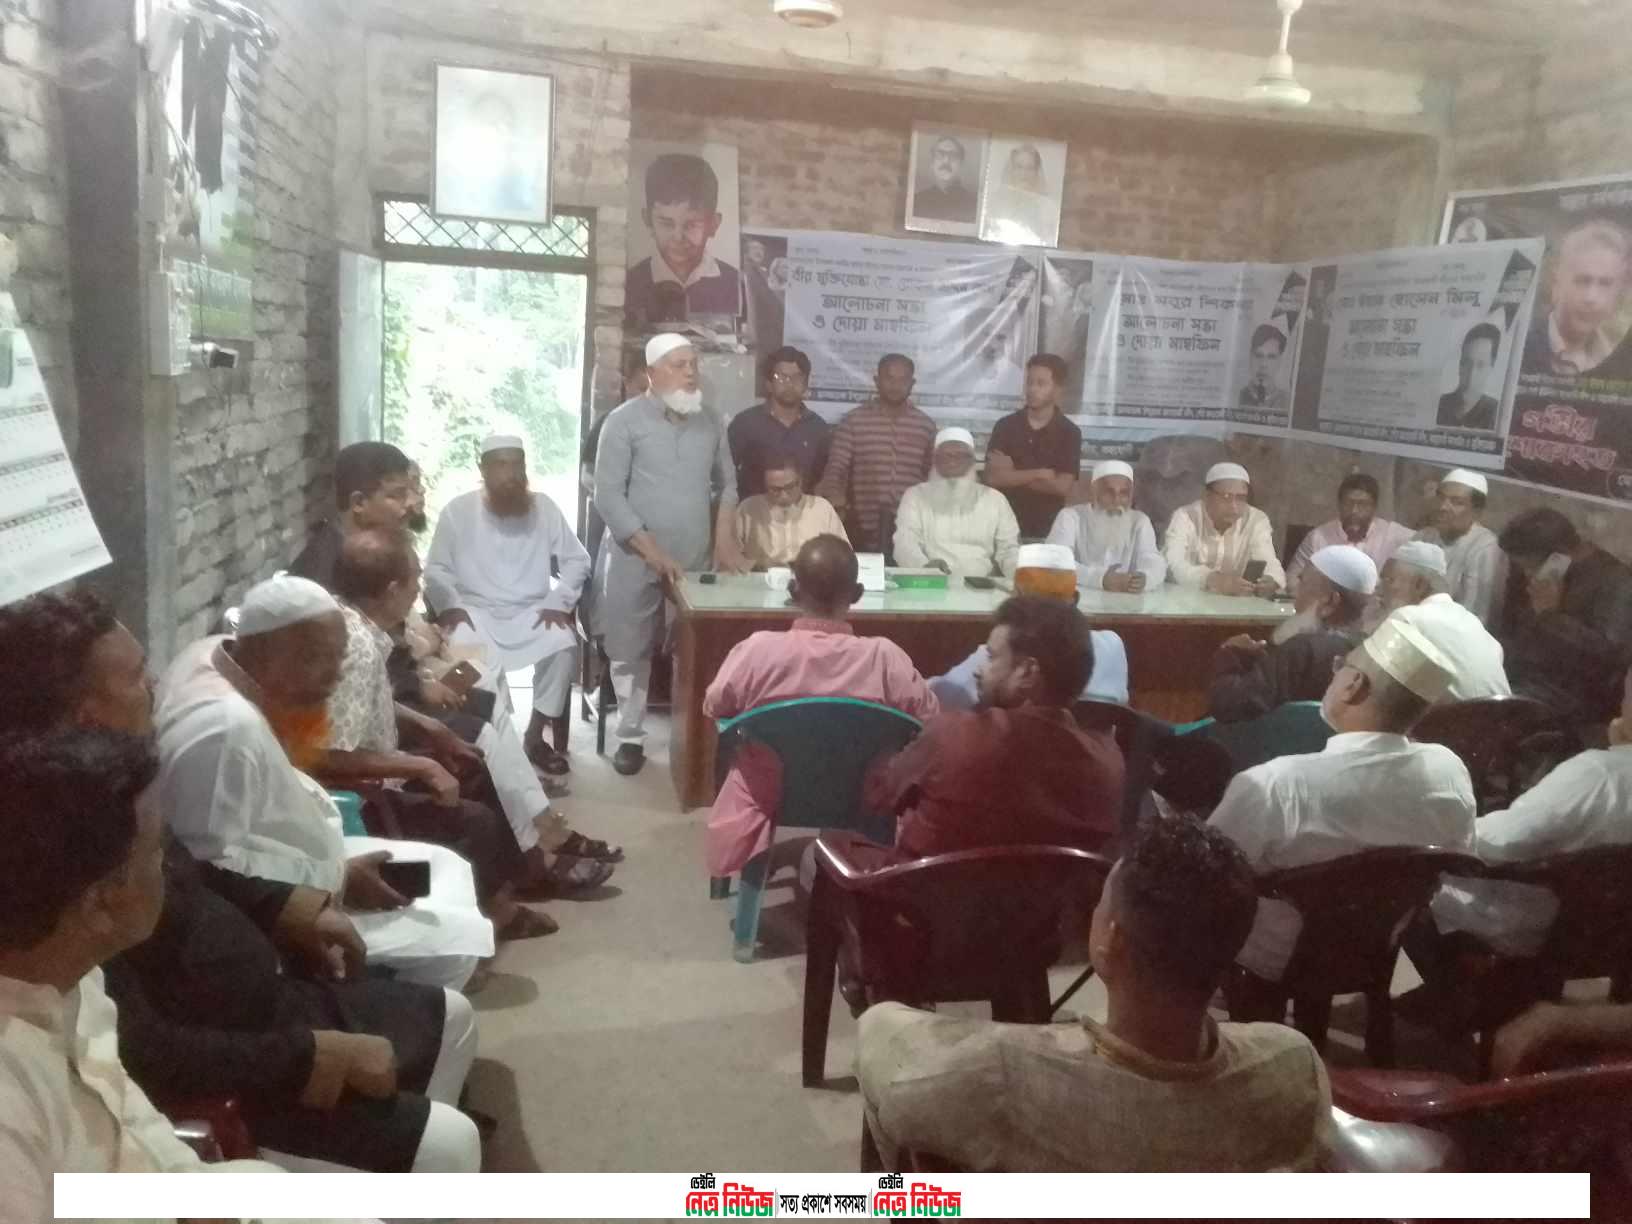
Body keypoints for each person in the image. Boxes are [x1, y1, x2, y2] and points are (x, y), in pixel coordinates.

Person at [0, 591, 481, 1174]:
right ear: (83, 713)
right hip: (236, 1055)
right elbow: (145, 1049)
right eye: (133, 677)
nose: (154, 685)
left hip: (259, 998)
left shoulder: (116, 791)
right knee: (449, 1142)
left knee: (449, 1016)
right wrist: (304, 1057)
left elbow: (192, 872)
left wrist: (286, 904)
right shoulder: (66, 863)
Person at [858, 814, 1332, 1172]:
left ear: (1111, 939)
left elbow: (882, 1055)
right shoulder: (1295, 1066)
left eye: (1103, 902)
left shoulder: (996, 1076)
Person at [156, 574, 495, 991]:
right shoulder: (225, 730)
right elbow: (210, 868)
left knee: (447, 867)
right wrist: (333, 885)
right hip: (286, 902)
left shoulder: (217, 653)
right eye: (324, 659)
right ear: (276, 652)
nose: (336, 678)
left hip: (317, 859)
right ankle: (377, 1006)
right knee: (454, 946)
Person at [0, 730, 293, 1207]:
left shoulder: (77, 978)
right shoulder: (9, 1102)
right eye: (157, 851)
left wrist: (189, 1194)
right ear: (100, 903)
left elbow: (132, 1121)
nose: (170, 871)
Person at [323, 529, 592, 934]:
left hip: (386, 754)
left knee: (470, 759)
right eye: (415, 580)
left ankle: (522, 871)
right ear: (392, 590)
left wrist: (428, 725)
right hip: (365, 793)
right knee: (476, 818)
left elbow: (370, 702)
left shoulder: (352, 622)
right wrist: (419, 766)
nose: (419, 591)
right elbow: (333, 754)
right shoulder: (359, 647)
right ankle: (500, 909)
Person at [1208, 610, 1476, 982]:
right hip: (1378, 950)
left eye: (1341, 666)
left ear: (1353, 684)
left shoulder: (1275, 786)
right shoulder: (1449, 772)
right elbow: (1455, 860)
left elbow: (1201, 878)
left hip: (1274, 958)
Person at [703, 535, 939, 878]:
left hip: (771, 790)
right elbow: (930, 719)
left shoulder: (758, 651)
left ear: (793, 589)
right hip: (864, 792)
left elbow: (715, 705)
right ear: (857, 594)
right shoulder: (886, 658)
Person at [595, 332, 747, 776]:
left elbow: (728, 485)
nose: (690, 373)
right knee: (630, 647)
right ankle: (629, 737)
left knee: (696, 647)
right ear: (651, 373)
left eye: (693, 364)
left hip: (694, 557)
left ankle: (696, 739)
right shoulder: (622, 422)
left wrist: (724, 540)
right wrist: (651, 551)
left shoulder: (710, 421)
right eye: (679, 365)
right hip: (634, 555)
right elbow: (608, 496)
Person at [872, 595, 1125, 858]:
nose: (978, 670)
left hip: (920, 884)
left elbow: (879, 796)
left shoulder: (953, 736)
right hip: (1048, 887)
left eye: (992, 657)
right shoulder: (1109, 769)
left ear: (1027, 672)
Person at [1421, 668, 1632, 980]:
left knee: (1411, 882)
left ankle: (1454, 995)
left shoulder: (1599, 777)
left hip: (1553, 924)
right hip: (1614, 932)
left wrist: (1427, 832)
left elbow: (1500, 844)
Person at [424, 432, 591, 774]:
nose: (511, 474)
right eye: (501, 465)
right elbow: (436, 568)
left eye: (517, 465)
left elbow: (578, 560)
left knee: (563, 645)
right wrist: (451, 604)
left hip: (532, 610)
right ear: (483, 469)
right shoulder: (457, 511)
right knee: (466, 653)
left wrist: (559, 601)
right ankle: (488, 739)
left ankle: (534, 737)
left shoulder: (544, 507)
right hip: (475, 610)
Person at [930, 543, 1131, 708]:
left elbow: (939, 699)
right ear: (1075, 600)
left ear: (1016, 596)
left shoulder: (1001, 654)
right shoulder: (1113, 646)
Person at [1498, 507, 1632, 730]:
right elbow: (1512, 629)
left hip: (1573, 697)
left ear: (1557, 558)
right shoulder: (1538, 574)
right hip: (1526, 677)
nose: (1524, 574)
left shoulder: (1617, 583)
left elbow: (1608, 659)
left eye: (1527, 567)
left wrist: (1550, 615)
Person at [1208, 545, 1376, 724]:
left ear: (1330, 602)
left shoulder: (1302, 650)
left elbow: (1227, 706)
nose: (1295, 596)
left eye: (1302, 583)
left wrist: (1231, 654)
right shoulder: (1370, 654)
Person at [815, 354, 937, 553]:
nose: (895, 385)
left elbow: (932, 477)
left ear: (912, 383)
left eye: (903, 380)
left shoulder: (925, 426)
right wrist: (836, 499)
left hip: (913, 529)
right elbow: (836, 468)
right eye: (889, 378)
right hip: (861, 528)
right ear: (876, 380)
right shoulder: (854, 421)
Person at [1373, 540, 1511, 701]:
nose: (1378, 589)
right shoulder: (1476, 626)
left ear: (1419, 585)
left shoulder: (1407, 618)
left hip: (1459, 717)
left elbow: (1374, 683)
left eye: (1388, 580)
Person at [624, 152, 740, 326]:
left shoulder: (734, 283)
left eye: (691, 225)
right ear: (648, 221)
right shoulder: (630, 283)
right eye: (666, 223)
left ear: (713, 224)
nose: (678, 237)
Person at [892, 428, 1021, 577]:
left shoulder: (995, 499)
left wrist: (1019, 575)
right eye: (946, 455)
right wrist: (924, 566)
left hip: (982, 583)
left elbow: (1009, 549)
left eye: (961, 455)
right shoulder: (916, 495)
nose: (952, 460)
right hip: (931, 581)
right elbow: (905, 543)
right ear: (935, 460)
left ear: (972, 460)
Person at [982, 353, 1083, 538]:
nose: (1032, 389)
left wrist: (1012, 474)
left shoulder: (1069, 432)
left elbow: (1061, 487)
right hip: (1002, 527)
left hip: (1047, 531)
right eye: (1029, 382)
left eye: (1041, 384)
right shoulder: (1006, 426)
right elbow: (993, 478)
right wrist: (1039, 473)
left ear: (1057, 390)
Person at [288, 441, 414, 586]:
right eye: (397, 495)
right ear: (358, 503)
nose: (409, 503)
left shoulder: (371, 556)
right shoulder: (320, 580)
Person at [1523, 219, 1631, 378]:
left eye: (1605, 284)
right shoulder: (1521, 345)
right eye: (1582, 281)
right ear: (1557, 282)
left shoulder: (1619, 360)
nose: (1591, 297)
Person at [1163, 462, 1284, 595]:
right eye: (1226, 497)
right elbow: (1171, 565)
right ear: (1206, 496)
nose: (1234, 506)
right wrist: (1210, 579)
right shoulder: (1185, 517)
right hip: (1187, 602)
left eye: (1241, 498)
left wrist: (1271, 580)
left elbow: (1269, 562)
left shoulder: (1256, 520)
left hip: (1237, 605)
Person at [1045, 459, 1165, 592]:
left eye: (1123, 493)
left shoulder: (1140, 521)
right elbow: (1055, 562)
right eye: (1109, 492)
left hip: (1126, 601)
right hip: (1079, 599)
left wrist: (1145, 578)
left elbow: (1154, 561)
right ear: (1094, 492)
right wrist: (1099, 579)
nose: (1116, 500)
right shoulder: (1070, 517)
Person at [728, 345, 831, 499]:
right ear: (769, 384)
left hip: (803, 512)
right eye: (781, 377)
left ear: (806, 384)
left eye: (797, 378)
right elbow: (726, 476)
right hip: (755, 512)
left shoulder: (818, 428)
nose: (789, 383)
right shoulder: (745, 424)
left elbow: (823, 480)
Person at [1412, 468, 1509, 630]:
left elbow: (1475, 619)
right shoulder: (1423, 536)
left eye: (1456, 502)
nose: (1443, 507)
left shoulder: (1485, 548)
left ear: (1477, 512)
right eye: (1440, 497)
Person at [1283, 472, 1412, 589]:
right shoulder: (1318, 537)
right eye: (1348, 503)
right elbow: (1292, 578)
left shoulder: (1391, 534)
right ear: (1339, 505)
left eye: (1362, 504)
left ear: (1374, 507)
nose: (1354, 511)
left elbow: (1422, 542)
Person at [732, 452, 848, 569]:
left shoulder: (821, 508)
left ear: (800, 481)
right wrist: (758, 564)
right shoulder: (749, 509)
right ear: (765, 486)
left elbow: (844, 555)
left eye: (789, 487)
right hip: (761, 576)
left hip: (812, 577)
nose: (784, 496)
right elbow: (730, 557)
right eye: (775, 490)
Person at [1436, 323, 1503, 431]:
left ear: (1491, 367)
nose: (1471, 375)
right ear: (1460, 363)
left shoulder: (1498, 413)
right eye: (1467, 363)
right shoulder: (1437, 405)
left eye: (1480, 365)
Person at [912, 134, 977, 225]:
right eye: (940, 154)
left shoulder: (973, 205)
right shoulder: (916, 202)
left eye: (953, 156)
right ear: (932, 163)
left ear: (961, 165)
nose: (946, 161)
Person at [1236, 325, 1290, 415]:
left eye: (1271, 357)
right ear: (1250, 357)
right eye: (1258, 355)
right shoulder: (1235, 397)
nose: (1263, 364)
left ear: (1280, 361)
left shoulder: (1288, 401)